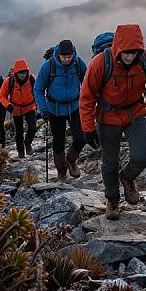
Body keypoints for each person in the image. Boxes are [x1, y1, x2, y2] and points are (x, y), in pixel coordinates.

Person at [80, 24, 146, 220]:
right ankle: (112, 200)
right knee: (110, 162)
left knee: (143, 157)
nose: (130, 56)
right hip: (107, 117)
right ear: (118, 48)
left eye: (134, 52)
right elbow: (86, 97)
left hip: (135, 113)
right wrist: (88, 128)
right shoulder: (100, 63)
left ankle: (127, 177)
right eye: (126, 53)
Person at [34, 39, 87, 183]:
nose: (66, 59)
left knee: (81, 139)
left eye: (69, 56)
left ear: (73, 54)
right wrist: (43, 109)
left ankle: (71, 160)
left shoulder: (78, 63)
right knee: (58, 143)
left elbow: (88, 82)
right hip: (54, 109)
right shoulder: (48, 66)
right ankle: (61, 171)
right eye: (64, 57)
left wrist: (89, 103)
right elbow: (38, 89)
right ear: (58, 54)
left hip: (75, 107)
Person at [0, 59, 37, 158]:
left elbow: (38, 91)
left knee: (32, 128)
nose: (23, 75)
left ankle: (27, 144)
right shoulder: (9, 81)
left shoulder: (31, 79)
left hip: (30, 107)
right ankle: (21, 153)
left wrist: (42, 106)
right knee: (19, 132)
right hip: (16, 109)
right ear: (16, 72)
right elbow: (1, 95)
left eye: (24, 72)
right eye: (20, 73)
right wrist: (8, 105)